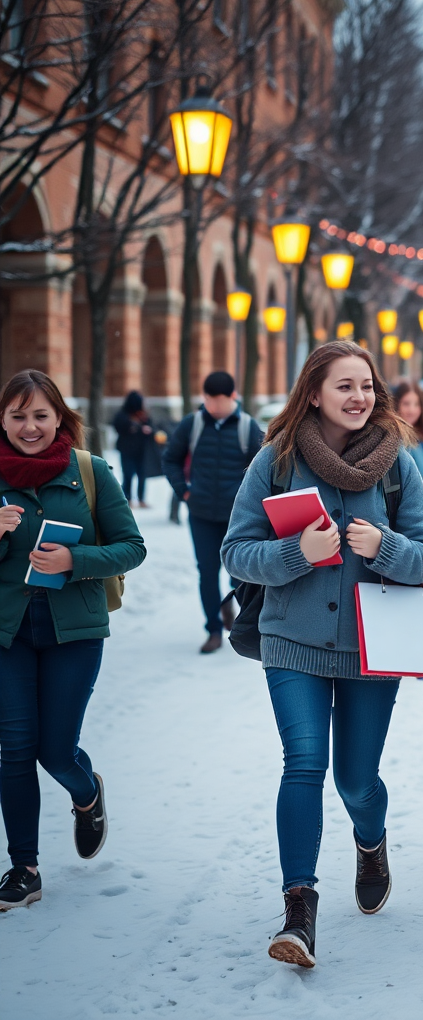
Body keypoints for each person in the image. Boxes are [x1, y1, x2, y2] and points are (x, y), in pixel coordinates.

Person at [221, 342, 423, 969]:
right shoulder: (277, 460)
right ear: (313, 392)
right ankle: (299, 909)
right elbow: (235, 551)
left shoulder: (397, 465)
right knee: (305, 761)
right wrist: (298, 555)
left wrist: (384, 546)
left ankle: (370, 841)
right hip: (292, 641)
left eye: (367, 386)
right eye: (345, 386)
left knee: (356, 780)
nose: (359, 397)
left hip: (374, 648)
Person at [0, 369, 146, 911]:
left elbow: (132, 547)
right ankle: (24, 868)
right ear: (2, 420)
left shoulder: (90, 472)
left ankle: (86, 794)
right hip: (7, 632)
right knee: (14, 749)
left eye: (40, 415)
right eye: (17, 416)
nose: (30, 427)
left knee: (55, 750)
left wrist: (73, 560)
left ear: (60, 417)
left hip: (74, 632)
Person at [162, 371, 263, 654]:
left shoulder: (248, 428)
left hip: (238, 518)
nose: (214, 406)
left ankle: (243, 624)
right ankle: (213, 630)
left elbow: (264, 469)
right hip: (202, 514)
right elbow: (170, 459)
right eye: (208, 400)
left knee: (239, 574)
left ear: (233, 397)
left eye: (219, 400)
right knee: (206, 572)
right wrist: (184, 492)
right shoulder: (192, 425)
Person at [112, 391, 154, 508]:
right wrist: (138, 428)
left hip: (142, 450)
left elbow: (151, 428)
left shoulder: (143, 415)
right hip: (127, 450)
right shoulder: (123, 415)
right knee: (128, 475)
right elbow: (120, 426)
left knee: (142, 474)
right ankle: (128, 498)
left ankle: (141, 499)